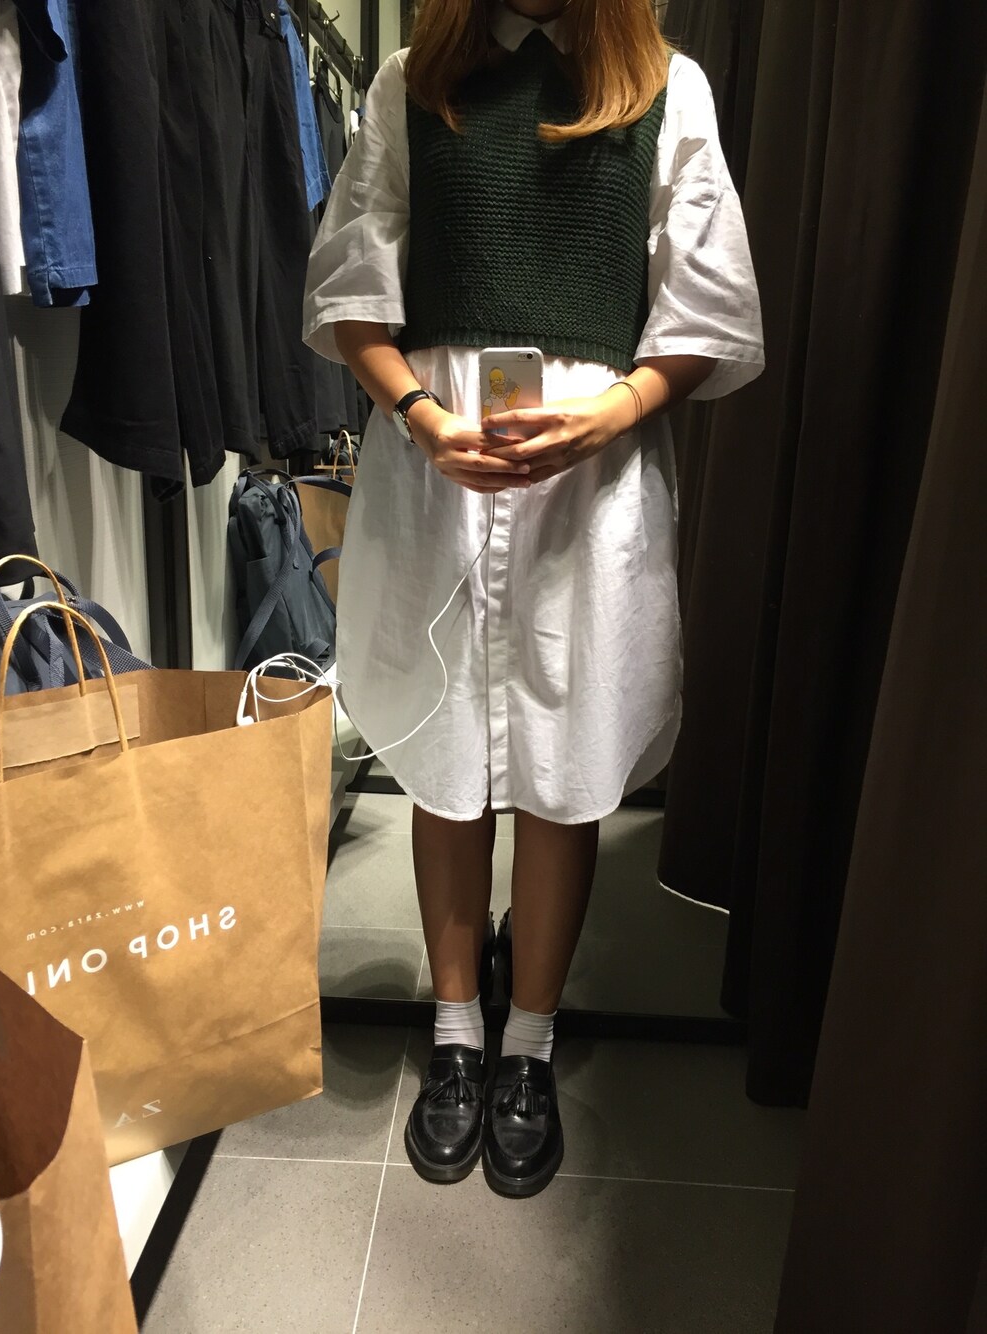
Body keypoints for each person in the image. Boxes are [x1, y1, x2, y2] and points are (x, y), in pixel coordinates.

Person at [303, 0, 764, 1199]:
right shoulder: (412, 83)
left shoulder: (665, 89)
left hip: (591, 490)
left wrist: (612, 413)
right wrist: (419, 414)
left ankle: (529, 1041)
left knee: (566, 761)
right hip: (435, 476)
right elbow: (352, 287)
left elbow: (707, 303)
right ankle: (458, 1026)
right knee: (446, 753)